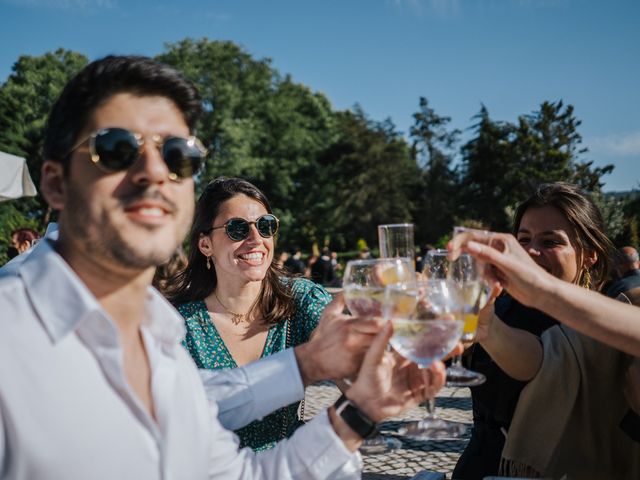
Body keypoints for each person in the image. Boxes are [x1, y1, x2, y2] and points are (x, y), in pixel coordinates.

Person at [0, 55, 450, 480]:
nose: (156, 171)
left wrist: (362, 411)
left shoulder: (158, 334)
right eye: (117, 149)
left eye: (179, 155)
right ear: (56, 184)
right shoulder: (11, 333)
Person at [450, 182, 640, 479]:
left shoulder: (611, 322)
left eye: (550, 242)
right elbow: (536, 360)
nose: (532, 252)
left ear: (589, 254)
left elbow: (544, 358)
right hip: (487, 469)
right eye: (523, 240)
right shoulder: (497, 308)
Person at [167, 177, 335, 451]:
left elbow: (352, 370)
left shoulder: (301, 299)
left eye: (266, 226)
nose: (256, 239)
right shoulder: (177, 324)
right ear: (205, 244)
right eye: (237, 229)